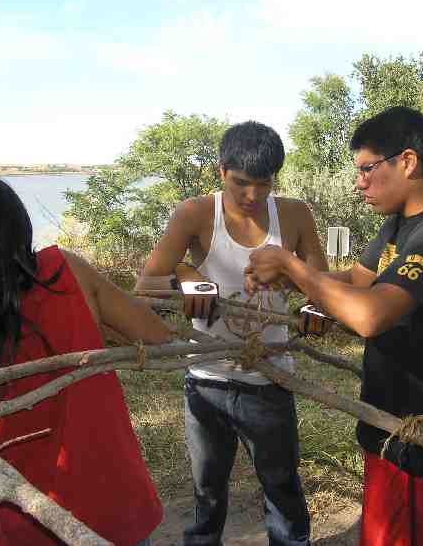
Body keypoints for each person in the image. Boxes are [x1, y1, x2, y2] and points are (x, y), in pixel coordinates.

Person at [246, 106, 423, 546]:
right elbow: (357, 282)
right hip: (386, 422)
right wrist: (292, 279)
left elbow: (369, 315)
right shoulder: (400, 224)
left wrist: (292, 265)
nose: (359, 183)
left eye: (366, 169)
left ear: (408, 162)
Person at [0, 173, 169, 546]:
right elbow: (157, 335)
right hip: (117, 505)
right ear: (19, 229)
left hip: (32, 521)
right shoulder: (62, 270)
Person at [138, 121, 327, 546]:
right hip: (207, 379)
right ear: (220, 170)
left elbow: (322, 285)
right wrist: (187, 276)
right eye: (241, 183)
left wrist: (309, 297)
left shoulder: (294, 214)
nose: (252, 196)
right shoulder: (196, 213)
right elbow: (147, 284)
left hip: (271, 377)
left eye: (264, 184)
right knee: (207, 488)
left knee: (281, 484)